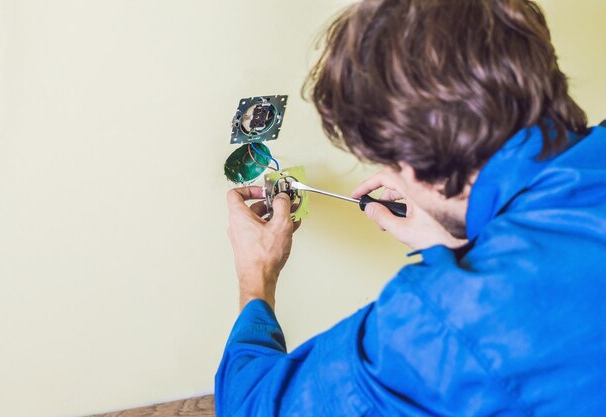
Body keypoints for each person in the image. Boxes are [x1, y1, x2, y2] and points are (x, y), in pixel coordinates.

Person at [216, 0, 606, 415]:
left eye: (389, 163)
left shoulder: (446, 320)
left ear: (416, 167)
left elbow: (252, 407)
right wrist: (464, 237)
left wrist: (256, 279)